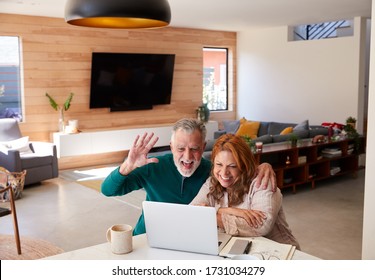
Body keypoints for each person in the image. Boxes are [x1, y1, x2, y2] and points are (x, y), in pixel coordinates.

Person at [101, 118, 276, 236]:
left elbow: (236, 172)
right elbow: (107, 190)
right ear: (171, 146)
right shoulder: (152, 165)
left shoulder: (213, 172)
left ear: (203, 147)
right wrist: (126, 166)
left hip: (189, 238)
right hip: (147, 235)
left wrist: (261, 166)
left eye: (194, 149)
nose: (187, 156)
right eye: (180, 148)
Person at [190, 133, 300, 249]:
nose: (223, 173)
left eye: (232, 166)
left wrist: (211, 215)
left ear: (244, 165)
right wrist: (229, 210)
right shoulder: (212, 182)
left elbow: (262, 225)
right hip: (239, 250)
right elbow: (191, 212)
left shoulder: (262, 180)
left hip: (280, 252)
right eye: (219, 164)